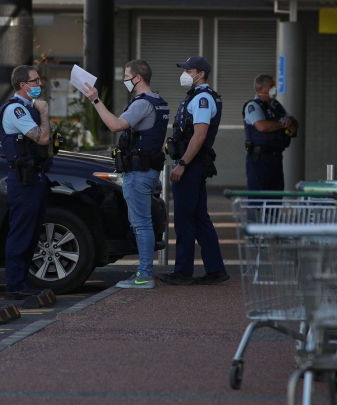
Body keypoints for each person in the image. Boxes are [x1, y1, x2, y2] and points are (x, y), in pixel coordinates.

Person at [83, 59, 169, 289]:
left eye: (126, 77)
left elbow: (115, 125)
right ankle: (143, 272)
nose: (125, 81)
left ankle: (144, 275)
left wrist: (95, 99)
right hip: (147, 170)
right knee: (143, 223)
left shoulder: (142, 104)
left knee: (141, 224)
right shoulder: (159, 101)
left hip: (138, 172)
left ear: (138, 78)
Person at [160, 56, 228, 286]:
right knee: (198, 218)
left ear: (200, 73)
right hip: (193, 163)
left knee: (184, 219)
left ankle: (182, 271)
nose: (184, 73)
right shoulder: (196, 97)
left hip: (192, 164)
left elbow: (199, 135)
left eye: (188, 70)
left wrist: (183, 164)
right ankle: (216, 270)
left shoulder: (202, 99)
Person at [0, 65, 53, 300]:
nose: (40, 85)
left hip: (34, 177)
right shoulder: (16, 110)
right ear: (23, 85)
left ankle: (22, 281)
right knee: (21, 231)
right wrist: (45, 112)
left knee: (31, 231)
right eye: (35, 81)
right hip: (23, 179)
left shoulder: (28, 108)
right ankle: (15, 284)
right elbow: (43, 138)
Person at [243, 74, 298, 191]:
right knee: (258, 198)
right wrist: (282, 124)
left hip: (276, 157)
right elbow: (262, 126)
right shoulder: (253, 106)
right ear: (262, 88)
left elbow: (291, 124)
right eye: (271, 86)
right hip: (260, 159)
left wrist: (290, 124)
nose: (274, 88)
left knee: (275, 197)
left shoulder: (276, 106)